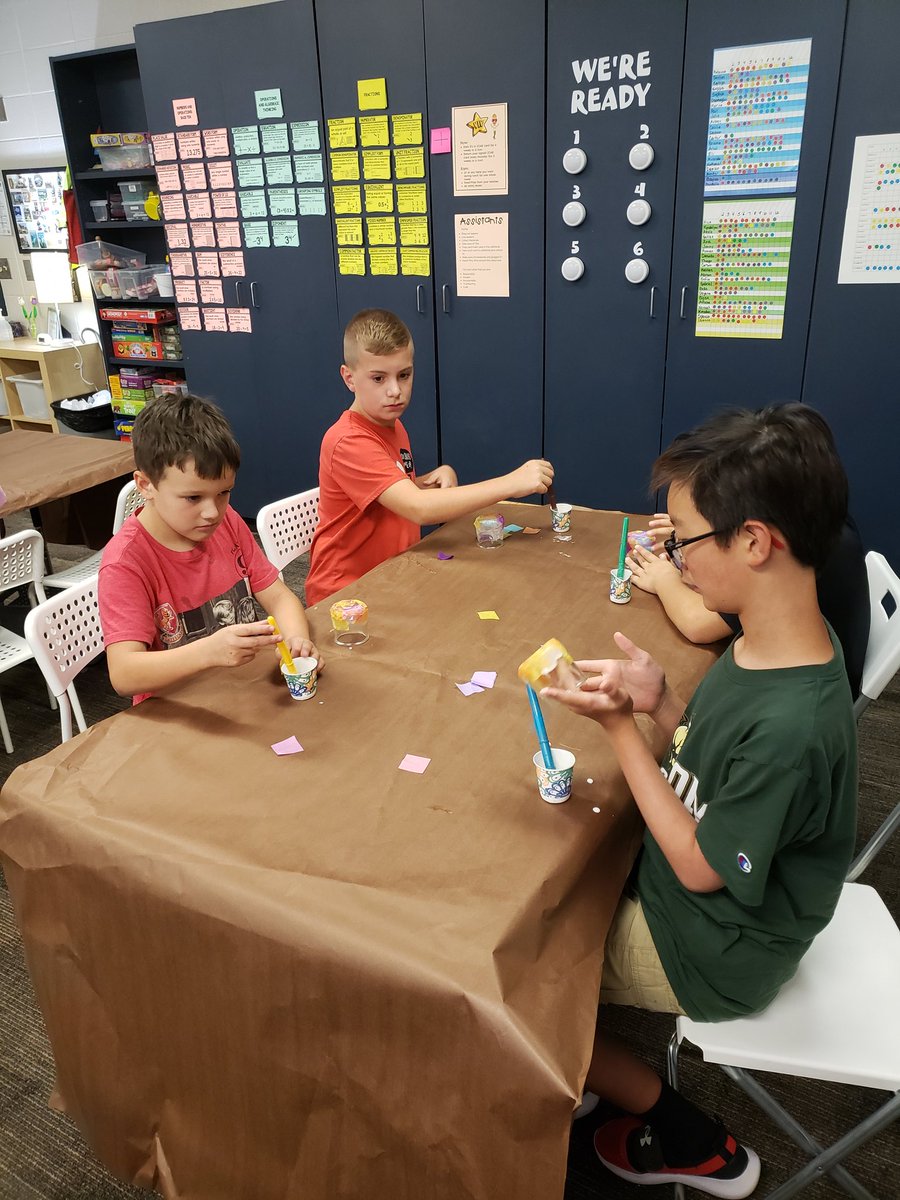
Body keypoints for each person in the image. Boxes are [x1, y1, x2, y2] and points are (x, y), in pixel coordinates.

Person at [543, 403, 857, 1197]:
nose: (675, 556)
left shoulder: (795, 724)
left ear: (754, 541)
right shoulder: (769, 634)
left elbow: (701, 866)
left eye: (684, 540)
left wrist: (620, 731)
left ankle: (688, 1134)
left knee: (520, 976)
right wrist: (660, 705)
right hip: (702, 891)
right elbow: (723, 765)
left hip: (718, 947)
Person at [304, 308, 554, 605]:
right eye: (379, 378)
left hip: (393, 575)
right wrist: (513, 483)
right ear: (349, 378)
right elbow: (418, 509)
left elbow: (388, 493)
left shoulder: (392, 425)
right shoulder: (348, 440)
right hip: (346, 596)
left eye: (404, 375)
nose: (395, 391)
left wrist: (425, 483)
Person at [99, 393, 321, 703]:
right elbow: (124, 674)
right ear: (146, 484)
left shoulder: (226, 521)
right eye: (193, 498)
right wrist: (208, 653)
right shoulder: (126, 562)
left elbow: (279, 597)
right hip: (177, 713)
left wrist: (297, 641)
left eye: (224, 493)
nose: (212, 512)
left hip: (243, 693)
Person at [626, 511, 870, 698]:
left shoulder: (779, 563)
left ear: (754, 541)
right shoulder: (811, 517)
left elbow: (698, 623)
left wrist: (665, 578)